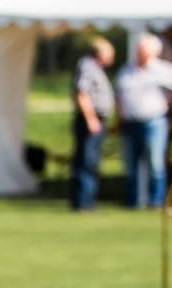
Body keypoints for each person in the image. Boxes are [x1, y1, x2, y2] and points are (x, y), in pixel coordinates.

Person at [116, 33, 172, 209]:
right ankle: (135, 199)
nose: (139, 54)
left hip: (153, 121)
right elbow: (119, 94)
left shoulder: (161, 69)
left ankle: (157, 199)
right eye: (138, 50)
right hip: (130, 122)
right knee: (131, 163)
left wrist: (170, 99)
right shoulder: (127, 70)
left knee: (155, 162)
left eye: (142, 51)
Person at [70, 37, 115, 212]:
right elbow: (81, 93)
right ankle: (83, 201)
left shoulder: (95, 68)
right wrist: (91, 119)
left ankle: (88, 200)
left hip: (97, 119)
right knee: (86, 161)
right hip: (90, 119)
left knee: (91, 161)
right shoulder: (87, 66)